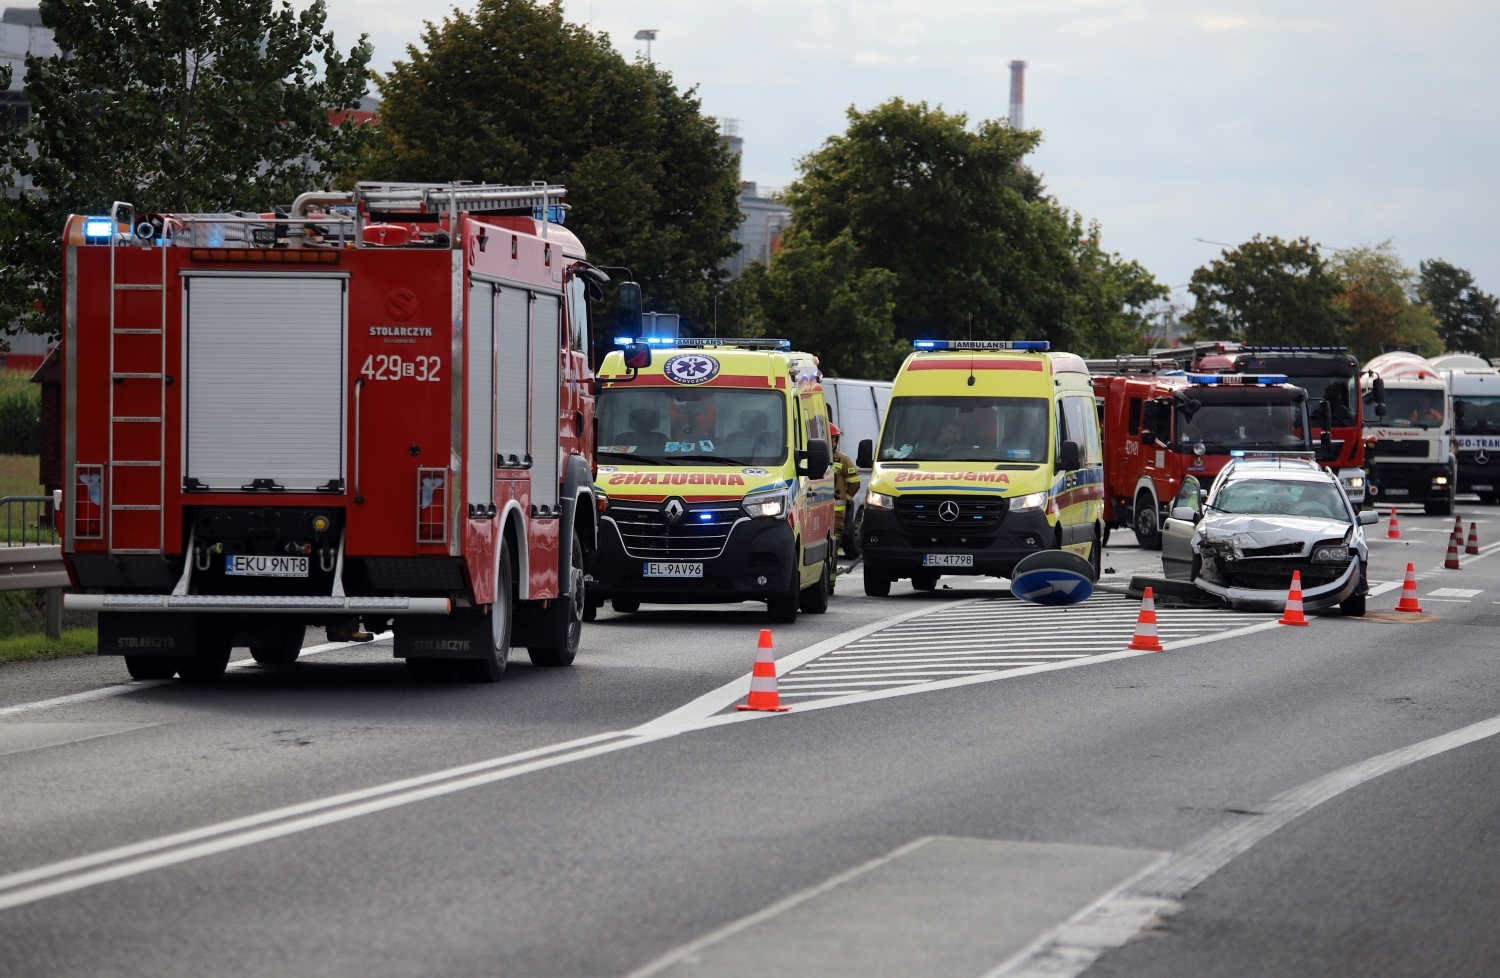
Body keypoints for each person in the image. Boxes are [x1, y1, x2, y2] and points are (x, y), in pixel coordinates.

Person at [830, 424, 862, 557]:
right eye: (831, 438)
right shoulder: (814, 458)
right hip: (817, 512)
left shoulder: (843, 459)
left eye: (835, 439)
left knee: (834, 546)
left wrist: (847, 498)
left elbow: (854, 483)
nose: (833, 442)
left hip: (837, 514)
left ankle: (831, 577)